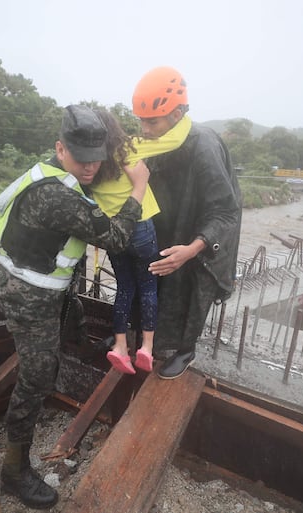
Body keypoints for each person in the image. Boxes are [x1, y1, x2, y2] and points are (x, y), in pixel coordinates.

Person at [0, 104, 149, 509]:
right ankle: (14, 472)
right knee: (37, 378)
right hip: (30, 297)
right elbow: (117, 237)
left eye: (98, 159)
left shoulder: (53, 175)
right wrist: (138, 186)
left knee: (67, 339)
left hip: (32, 286)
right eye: (82, 159)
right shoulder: (57, 197)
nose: (91, 168)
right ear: (60, 149)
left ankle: (19, 452)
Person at [131, 66, 242, 380]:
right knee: (153, 279)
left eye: (151, 121)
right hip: (168, 225)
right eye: (140, 120)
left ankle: (185, 350)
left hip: (203, 231)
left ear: (177, 114)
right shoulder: (153, 143)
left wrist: (193, 248)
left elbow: (225, 211)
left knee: (193, 290)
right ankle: (144, 340)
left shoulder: (203, 144)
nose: (145, 129)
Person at [89, 109, 191, 374]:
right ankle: (146, 347)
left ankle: (121, 347)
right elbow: (174, 140)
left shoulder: (90, 162)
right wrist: (184, 114)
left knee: (124, 287)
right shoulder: (126, 148)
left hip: (112, 233)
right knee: (148, 287)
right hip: (140, 227)